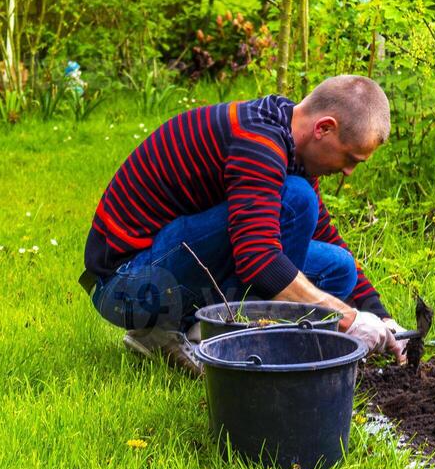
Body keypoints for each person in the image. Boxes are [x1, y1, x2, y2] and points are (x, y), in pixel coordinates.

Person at [81, 75, 407, 375]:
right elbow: (259, 261)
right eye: (350, 158)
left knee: (339, 268)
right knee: (297, 199)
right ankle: (212, 335)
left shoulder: (287, 144)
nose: (349, 171)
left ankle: (220, 329)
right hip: (127, 287)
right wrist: (346, 319)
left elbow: (326, 236)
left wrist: (380, 316)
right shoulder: (257, 142)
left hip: (159, 270)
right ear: (324, 128)